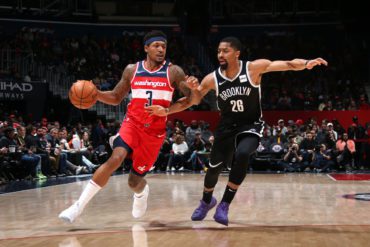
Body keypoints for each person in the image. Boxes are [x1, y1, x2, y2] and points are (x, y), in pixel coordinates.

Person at [58, 30, 199, 223]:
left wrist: (179, 100)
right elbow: (116, 98)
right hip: (132, 123)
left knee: (134, 182)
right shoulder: (132, 69)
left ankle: (142, 193)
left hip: (154, 133)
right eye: (156, 46)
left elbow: (191, 100)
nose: (161, 50)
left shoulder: (173, 71)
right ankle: (78, 206)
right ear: (146, 48)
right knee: (116, 158)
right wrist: (96, 93)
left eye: (164, 46)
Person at [189, 37, 328, 226]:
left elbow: (285, 64)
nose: (220, 54)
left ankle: (224, 205)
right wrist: (193, 90)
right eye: (219, 51)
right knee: (214, 168)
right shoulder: (213, 78)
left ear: (237, 53)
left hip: (250, 124)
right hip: (226, 126)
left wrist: (306, 64)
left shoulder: (253, 68)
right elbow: (196, 100)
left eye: (225, 51)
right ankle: (206, 201)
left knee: (244, 153)